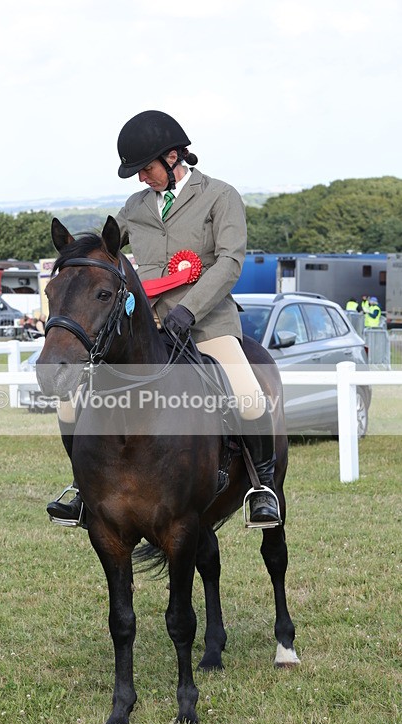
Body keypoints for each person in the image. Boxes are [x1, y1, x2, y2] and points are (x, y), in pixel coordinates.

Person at [47, 109, 281, 527]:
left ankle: (261, 487)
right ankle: (84, 490)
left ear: (173, 157)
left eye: (146, 169)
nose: (141, 178)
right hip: (150, 329)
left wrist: (189, 311)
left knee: (249, 394)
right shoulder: (135, 206)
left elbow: (229, 262)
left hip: (208, 324)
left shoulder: (219, 196)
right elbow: (105, 250)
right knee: (69, 401)